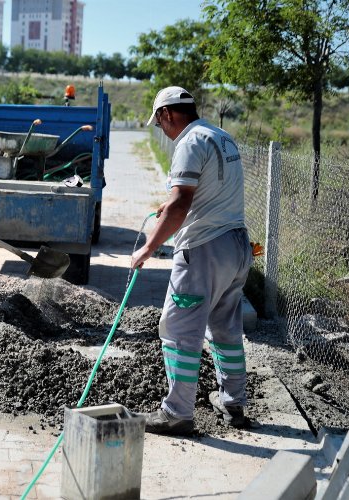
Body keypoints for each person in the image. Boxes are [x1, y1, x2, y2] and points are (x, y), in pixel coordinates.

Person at [132, 86, 252, 435]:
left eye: (160, 123)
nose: (163, 131)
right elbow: (203, 195)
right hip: (236, 246)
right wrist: (170, 207)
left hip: (203, 250)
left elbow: (181, 202)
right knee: (226, 329)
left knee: (178, 330)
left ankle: (177, 413)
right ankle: (233, 403)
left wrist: (147, 248)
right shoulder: (221, 136)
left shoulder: (189, 142)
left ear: (167, 114)